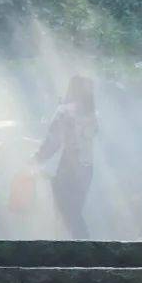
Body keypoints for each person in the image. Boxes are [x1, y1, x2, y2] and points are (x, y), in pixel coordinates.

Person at [36, 74, 98, 239]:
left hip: (68, 168)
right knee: (74, 212)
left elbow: (53, 141)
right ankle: (83, 250)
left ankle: (81, 251)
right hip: (87, 168)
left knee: (66, 213)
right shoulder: (92, 115)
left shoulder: (65, 111)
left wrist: (36, 158)